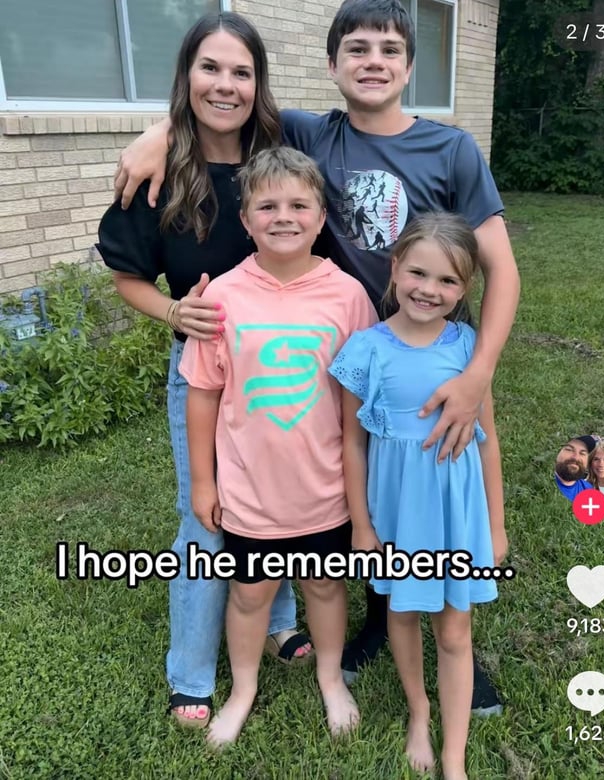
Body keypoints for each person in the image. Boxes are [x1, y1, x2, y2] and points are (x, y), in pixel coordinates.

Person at [111, 0, 520, 712]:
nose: (373, 63)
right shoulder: (309, 131)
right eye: (356, 49)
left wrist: (478, 371)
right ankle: (366, 628)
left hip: (427, 361)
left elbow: (502, 269)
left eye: (390, 51)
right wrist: (162, 131)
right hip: (338, 357)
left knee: (428, 489)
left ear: (411, 67)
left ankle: (458, 645)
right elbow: (224, 107)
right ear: (332, 65)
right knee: (366, 494)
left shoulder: (451, 149)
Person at [96, 12, 312, 730]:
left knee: (277, 495)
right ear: (186, 74)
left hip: (283, 364)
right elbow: (127, 277)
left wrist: (161, 124)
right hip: (204, 370)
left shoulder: (281, 152)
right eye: (209, 68)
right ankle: (190, 670)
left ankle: (277, 618)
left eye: (241, 72)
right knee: (208, 515)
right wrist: (172, 312)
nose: (226, 85)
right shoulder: (160, 175)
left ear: (259, 83)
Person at [179, 146, 377, 746]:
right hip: (250, 490)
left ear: (321, 219)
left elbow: (359, 405)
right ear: (245, 220)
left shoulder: (348, 297)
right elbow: (203, 394)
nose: (283, 216)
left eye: (298, 205)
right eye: (267, 206)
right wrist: (204, 482)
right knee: (250, 594)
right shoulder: (221, 296)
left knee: (324, 587)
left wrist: (361, 494)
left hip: (324, 490)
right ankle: (242, 690)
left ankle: (330, 679)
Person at [329, 212, 506, 779]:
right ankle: (419, 712)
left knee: (454, 630)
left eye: (448, 281)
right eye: (418, 273)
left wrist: (496, 527)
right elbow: (352, 444)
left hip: (454, 513)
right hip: (397, 511)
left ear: (465, 288)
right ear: (395, 268)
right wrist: (362, 525)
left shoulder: (470, 348)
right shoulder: (365, 349)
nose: (430, 289)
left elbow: (488, 442)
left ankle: (454, 756)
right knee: (402, 613)